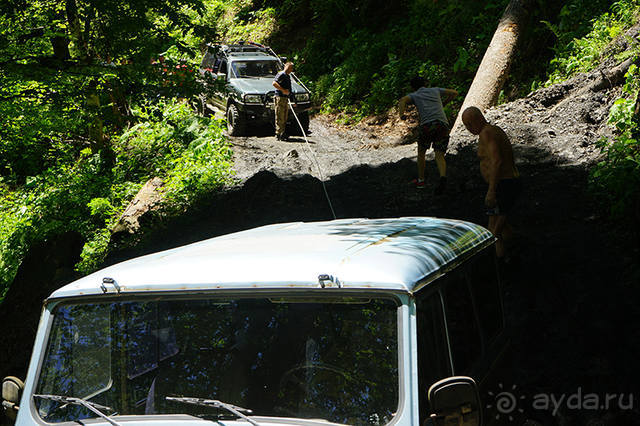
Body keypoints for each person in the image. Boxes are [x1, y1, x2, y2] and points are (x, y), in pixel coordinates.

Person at [461, 106, 521, 260]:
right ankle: (512, 253)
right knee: (496, 227)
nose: (468, 128)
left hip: (503, 185)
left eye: (469, 124)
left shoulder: (487, 133)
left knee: (495, 231)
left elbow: (497, 161)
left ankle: (502, 264)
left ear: (479, 119)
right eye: (465, 125)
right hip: (503, 184)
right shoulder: (492, 131)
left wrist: (492, 190)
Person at [399, 76, 458, 194]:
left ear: (413, 87)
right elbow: (454, 93)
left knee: (421, 152)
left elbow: (403, 100)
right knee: (439, 154)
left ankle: (421, 180)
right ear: (425, 83)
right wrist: (444, 102)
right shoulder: (435, 90)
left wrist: (402, 114)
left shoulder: (415, 95)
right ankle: (442, 177)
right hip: (442, 125)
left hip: (427, 125)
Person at [272, 62, 294, 141]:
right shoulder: (281, 74)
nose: (291, 70)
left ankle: (283, 132)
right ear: (286, 66)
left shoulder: (287, 76)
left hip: (285, 98)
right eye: (290, 67)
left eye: (291, 68)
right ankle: (278, 133)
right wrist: (283, 90)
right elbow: (274, 83)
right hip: (280, 97)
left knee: (285, 116)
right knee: (280, 115)